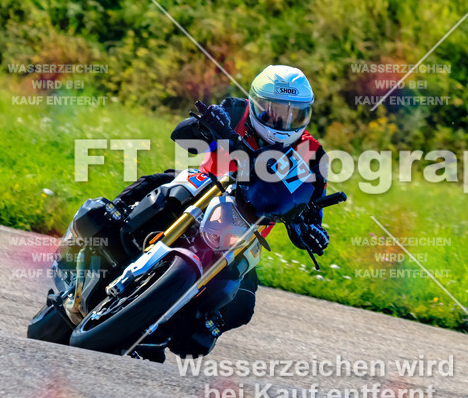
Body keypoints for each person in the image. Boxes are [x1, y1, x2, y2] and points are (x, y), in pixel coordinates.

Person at [114, 65, 331, 340]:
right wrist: (206, 125)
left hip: (243, 234)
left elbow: (311, 214)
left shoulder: (311, 154)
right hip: (204, 189)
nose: (283, 120)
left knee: (241, 306)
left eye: (293, 113)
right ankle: (110, 221)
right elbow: (181, 137)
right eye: (274, 110)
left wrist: (314, 233)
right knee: (156, 186)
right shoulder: (236, 111)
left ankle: (166, 332)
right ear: (255, 102)